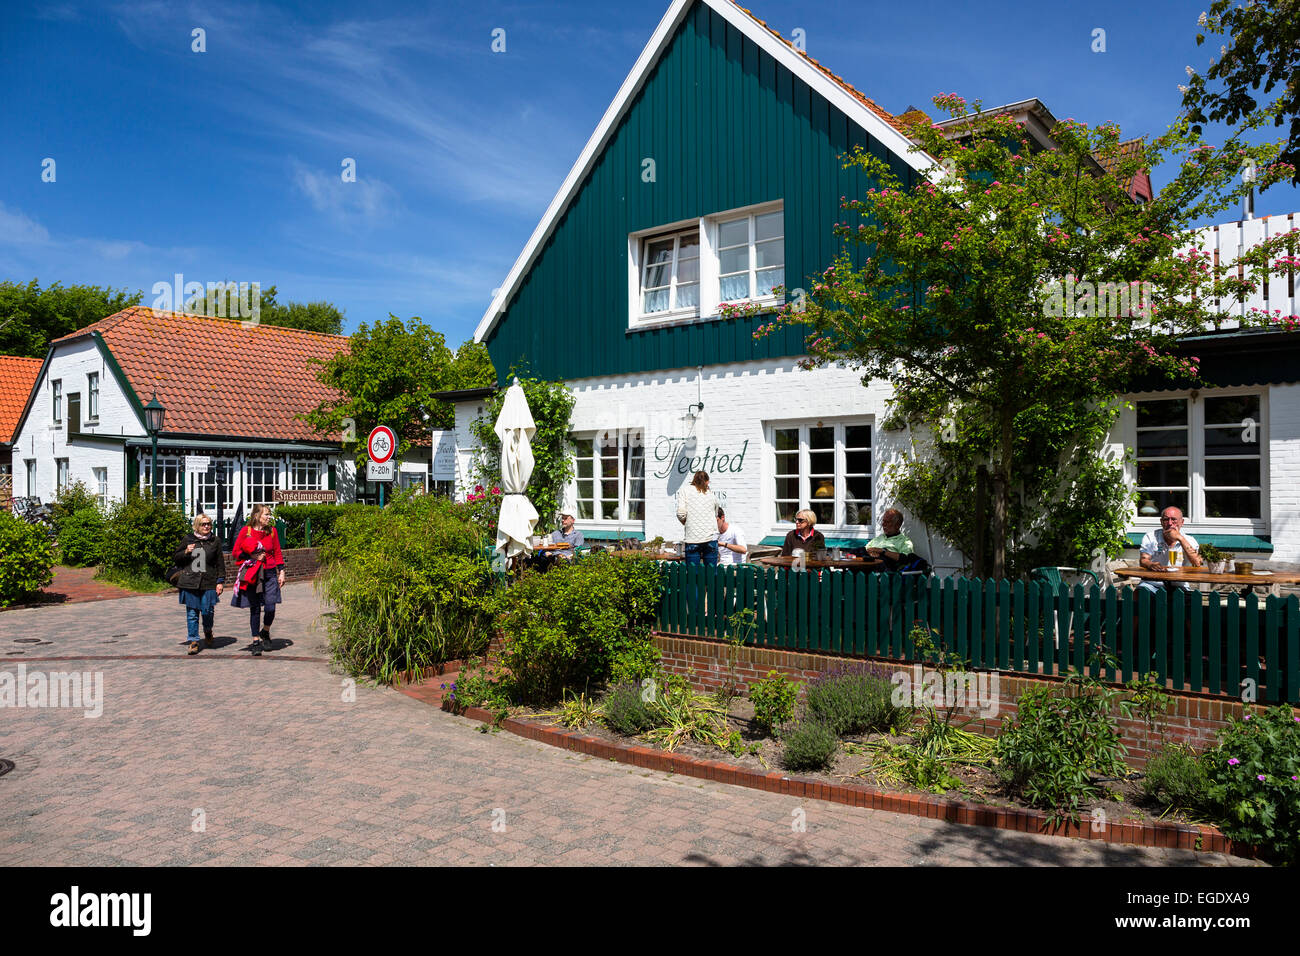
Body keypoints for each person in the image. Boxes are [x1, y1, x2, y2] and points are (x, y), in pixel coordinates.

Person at [230, 504, 286, 656]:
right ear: (257, 516)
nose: (269, 517)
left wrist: (281, 572)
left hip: (269, 574)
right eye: (266, 515)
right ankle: (255, 640)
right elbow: (235, 553)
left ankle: (265, 631)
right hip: (253, 574)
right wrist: (251, 556)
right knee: (254, 608)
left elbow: (277, 552)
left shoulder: (272, 532)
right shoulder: (246, 531)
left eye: (269, 515)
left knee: (270, 607)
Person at [173, 513, 225, 656]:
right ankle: (193, 641)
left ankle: (208, 630)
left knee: (208, 611)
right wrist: (186, 552)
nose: (207, 526)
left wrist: (220, 582)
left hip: (208, 582)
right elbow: (176, 559)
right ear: (197, 525)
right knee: (192, 613)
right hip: (190, 582)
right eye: (203, 524)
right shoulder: (188, 539)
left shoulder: (215, 541)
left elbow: (220, 563)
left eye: (208, 523)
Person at [1138, 506, 1201, 594]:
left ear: (1182, 522)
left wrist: (1180, 538)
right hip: (1153, 583)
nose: (1170, 523)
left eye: (1174, 519)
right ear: (1161, 522)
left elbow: (1197, 563)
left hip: (1179, 585)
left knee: (1190, 602)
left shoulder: (1189, 540)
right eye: (1166, 519)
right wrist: (1150, 564)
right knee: (1140, 593)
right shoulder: (1151, 537)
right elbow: (1143, 560)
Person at [676, 471, 721, 565]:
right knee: (711, 574)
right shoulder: (711, 494)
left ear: (694, 480)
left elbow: (681, 514)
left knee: (693, 575)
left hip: (692, 538)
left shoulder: (685, 490)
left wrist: (685, 522)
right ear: (707, 482)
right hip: (711, 538)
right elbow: (716, 514)